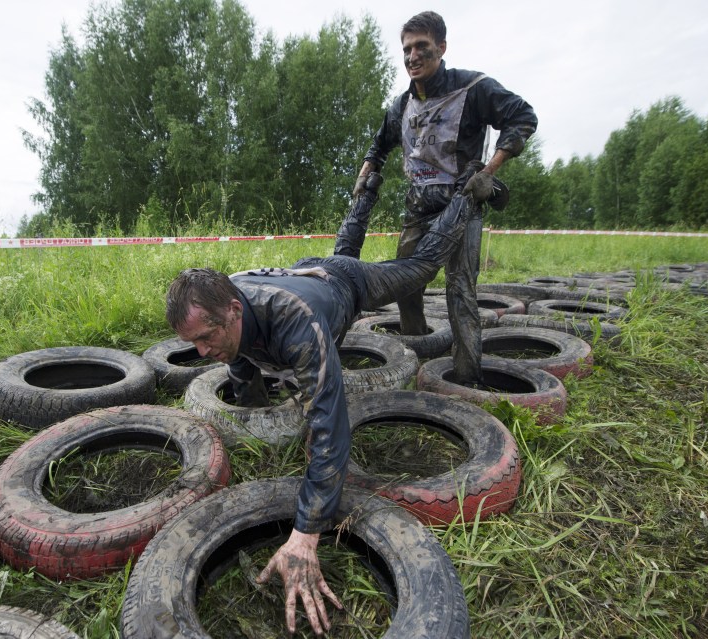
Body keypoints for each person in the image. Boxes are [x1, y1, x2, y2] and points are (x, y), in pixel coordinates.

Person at [165, 183, 480, 634]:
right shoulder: (226, 313)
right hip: (306, 273)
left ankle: (467, 197)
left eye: (205, 338)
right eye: (190, 342)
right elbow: (239, 358)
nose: (199, 352)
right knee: (341, 247)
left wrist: (305, 534)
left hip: (347, 283)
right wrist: (248, 405)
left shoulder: (296, 327)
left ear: (233, 311)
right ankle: (365, 188)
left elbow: (331, 427)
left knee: (418, 268)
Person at [335, 10, 537, 384]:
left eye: (422, 47)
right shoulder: (401, 105)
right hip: (418, 208)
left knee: (460, 292)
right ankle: (415, 355)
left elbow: (523, 117)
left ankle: (466, 378)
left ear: (441, 48)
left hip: (461, 207)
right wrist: (364, 175)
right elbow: (378, 146)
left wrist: (488, 173)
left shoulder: (473, 88)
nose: (413, 56)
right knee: (404, 286)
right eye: (407, 49)